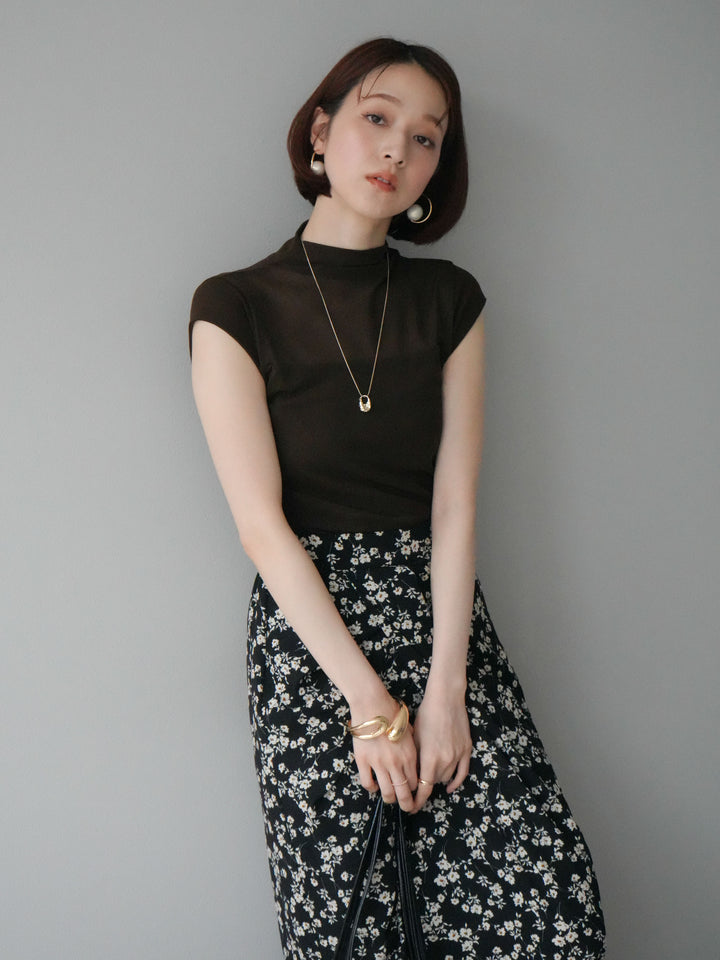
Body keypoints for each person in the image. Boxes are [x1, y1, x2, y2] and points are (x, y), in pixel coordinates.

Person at [188, 37, 605, 960]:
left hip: (442, 621)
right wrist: (372, 708)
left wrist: (447, 692)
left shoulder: (450, 300)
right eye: (377, 119)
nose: (397, 150)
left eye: (426, 138)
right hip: (315, 644)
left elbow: (454, 506)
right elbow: (262, 527)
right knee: (354, 920)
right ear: (321, 132)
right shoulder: (234, 305)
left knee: (546, 912)